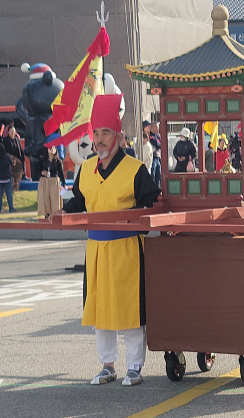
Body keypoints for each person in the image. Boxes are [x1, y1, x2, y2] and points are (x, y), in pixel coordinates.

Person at [63, 94, 161, 385]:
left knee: (129, 308)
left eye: (105, 132)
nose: (99, 139)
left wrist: (129, 219)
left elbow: (151, 204)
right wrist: (58, 212)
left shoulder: (135, 170)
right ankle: (107, 364)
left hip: (127, 250)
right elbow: (77, 203)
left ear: (118, 136)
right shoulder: (86, 171)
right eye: (96, 133)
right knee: (99, 307)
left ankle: (134, 366)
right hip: (96, 250)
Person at [0, 143, 16, 213]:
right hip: (7, 177)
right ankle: (11, 208)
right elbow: (12, 164)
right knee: (9, 193)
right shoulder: (7, 157)